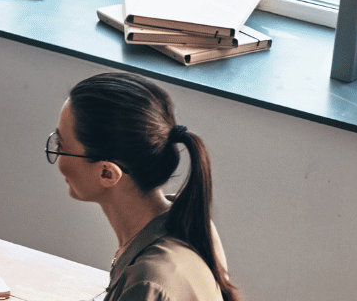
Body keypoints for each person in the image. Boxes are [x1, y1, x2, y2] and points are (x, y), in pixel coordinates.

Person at [51, 72, 239, 301]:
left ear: (107, 173)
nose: (57, 156)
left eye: (60, 145)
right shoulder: (190, 223)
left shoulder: (147, 282)